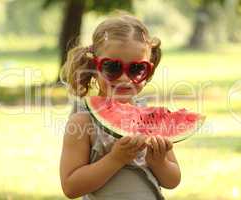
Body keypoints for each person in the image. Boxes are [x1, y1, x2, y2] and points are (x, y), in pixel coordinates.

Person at [59, 13, 181, 200]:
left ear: (148, 71)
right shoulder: (82, 121)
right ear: (94, 66)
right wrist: (116, 159)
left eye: (137, 69)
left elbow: (172, 181)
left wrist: (159, 162)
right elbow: (70, 187)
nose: (124, 78)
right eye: (112, 68)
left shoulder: (150, 120)